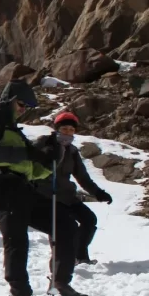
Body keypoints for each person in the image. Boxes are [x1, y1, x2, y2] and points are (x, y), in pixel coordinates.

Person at [0, 79, 88, 296]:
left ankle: (60, 281)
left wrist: (48, 162)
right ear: (9, 100)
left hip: (23, 187)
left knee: (64, 224)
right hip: (1, 186)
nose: (23, 109)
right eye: (21, 103)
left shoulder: (14, 130)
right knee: (16, 240)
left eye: (26, 106)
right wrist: (24, 153)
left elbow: (31, 170)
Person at [32, 112, 112, 264]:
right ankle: (60, 259)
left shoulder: (72, 151)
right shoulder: (43, 144)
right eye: (64, 129)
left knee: (89, 220)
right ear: (57, 129)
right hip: (47, 195)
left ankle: (79, 256)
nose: (68, 132)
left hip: (67, 195)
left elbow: (82, 177)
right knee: (61, 226)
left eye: (71, 130)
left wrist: (98, 193)